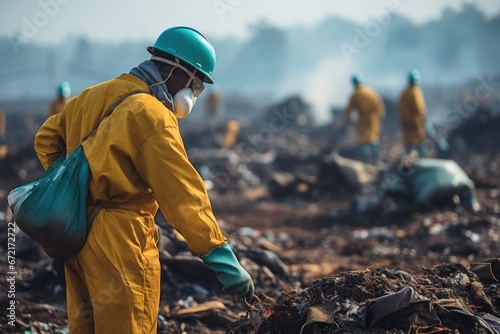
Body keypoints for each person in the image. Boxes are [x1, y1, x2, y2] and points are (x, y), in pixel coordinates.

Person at [34, 26, 254, 334]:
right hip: (120, 239)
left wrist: (73, 184)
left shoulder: (92, 95)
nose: (192, 95)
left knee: (87, 326)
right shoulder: (153, 116)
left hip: (76, 229)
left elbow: (46, 137)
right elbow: (182, 193)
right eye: (195, 85)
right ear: (176, 73)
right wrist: (218, 254)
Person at [343, 74, 385, 164]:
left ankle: (365, 160)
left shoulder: (355, 95)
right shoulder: (370, 91)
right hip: (373, 119)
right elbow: (379, 104)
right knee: (373, 138)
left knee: (361, 140)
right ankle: (375, 160)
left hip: (363, 119)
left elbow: (349, 109)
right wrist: (380, 115)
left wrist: (345, 119)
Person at [398, 70, 427, 157]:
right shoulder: (415, 92)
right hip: (415, 122)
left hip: (406, 122)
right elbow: (419, 107)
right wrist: (423, 118)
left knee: (409, 142)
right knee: (420, 141)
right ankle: (422, 160)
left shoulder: (404, 93)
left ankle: (408, 160)